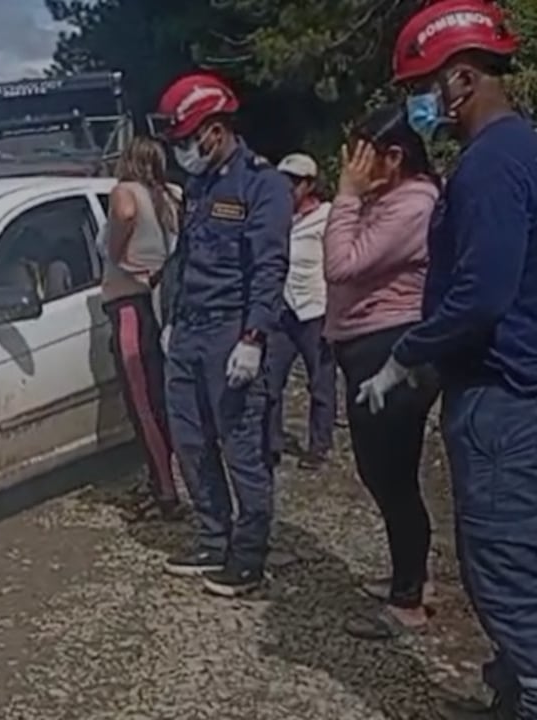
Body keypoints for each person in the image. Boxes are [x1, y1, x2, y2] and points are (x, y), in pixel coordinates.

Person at [361, 2, 537, 717]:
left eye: (422, 88)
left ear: (461, 80)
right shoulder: (522, 149)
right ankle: (510, 687)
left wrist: (408, 354)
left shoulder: (490, 167)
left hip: (502, 394)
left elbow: (482, 292)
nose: (418, 106)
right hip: (517, 388)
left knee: (501, 568)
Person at [154, 72, 292, 596]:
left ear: (215, 130)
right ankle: (213, 539)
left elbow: (268, 265)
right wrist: (171, 318)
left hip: (231, 332)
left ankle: (249, 556)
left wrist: (254, 337)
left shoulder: (264, 184)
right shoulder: (199, 185)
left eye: (188, 140)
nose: (183, 151)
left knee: (241, 450)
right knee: (190, 443)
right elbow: (184, 259)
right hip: (189, 331)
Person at [322, 105, 440, 642]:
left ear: (394, 157)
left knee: (390, 474)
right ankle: (408, 577)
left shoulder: (413, 204)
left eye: (365, 155)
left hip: (387, 345)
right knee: (381, 473)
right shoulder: (388, 200)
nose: (354, 165)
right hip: (363, 345)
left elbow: (342, 264)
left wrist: (345, 197)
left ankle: (409, 598)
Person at [101, 136, 181, 521]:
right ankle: (173, 481)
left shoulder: (125, 192)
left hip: (129, 304)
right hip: (158, 305)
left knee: (142, 404)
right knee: (161, 399)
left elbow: (126, 213)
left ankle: (166, 491)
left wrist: (115, 252)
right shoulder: (169, 197)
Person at [265, 153, 336, 471]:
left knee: (320, 381)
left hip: (315, 309)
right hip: (284, 308)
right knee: (270, 379)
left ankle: (319, 445)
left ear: (308, 184)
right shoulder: (279, 218)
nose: (287, 188)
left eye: (293, 182)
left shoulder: (328, 218)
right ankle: (271, 442)